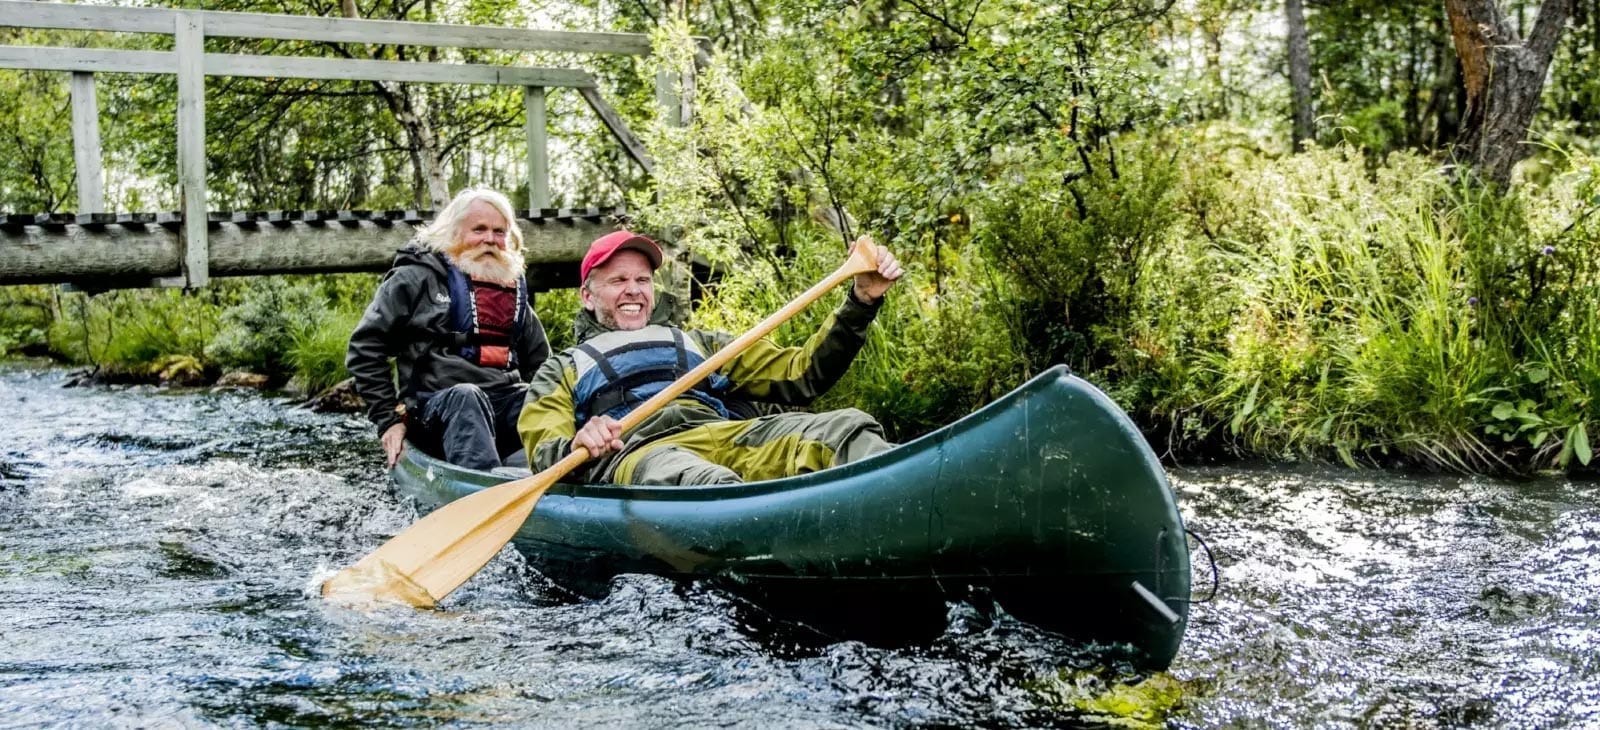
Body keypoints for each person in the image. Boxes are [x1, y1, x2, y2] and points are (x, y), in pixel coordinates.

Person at [516, 230, 904, 486]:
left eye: (642, 280)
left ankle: (905, 502)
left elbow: (802, 374)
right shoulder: (563, 366)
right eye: (618, 281)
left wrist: (861, 301)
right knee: (702, 481)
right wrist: (577, 443)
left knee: (849, 428)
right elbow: (544, 445)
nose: (633, 291)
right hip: (642, 455)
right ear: (588, 295)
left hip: (721, 435)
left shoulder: (698, 343)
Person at [347, 187, 550, 470]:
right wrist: (388, 421)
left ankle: (564, 481)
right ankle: (483, 495)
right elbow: (365, 348)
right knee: (466, 396)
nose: (489, 239)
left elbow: (542, 366)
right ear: (455, 233)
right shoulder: (415, 278)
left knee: (545, 400)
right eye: (478, 230)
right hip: (435, 409)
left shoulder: (511, 290)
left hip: (501, 405)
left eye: (499, 232)